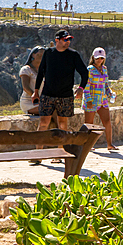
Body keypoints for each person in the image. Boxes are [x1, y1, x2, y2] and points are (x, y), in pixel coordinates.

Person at [33, 29, 88, 160]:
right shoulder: (48, 53)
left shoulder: (73, 55)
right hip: (47, 94)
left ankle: (60, 153)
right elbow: (41, 72)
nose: (67, 42)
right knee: (43, 123)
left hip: (65, 95)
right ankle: (38, 153)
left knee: (63, 124)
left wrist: (81, 88)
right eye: (65, 40)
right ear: (57, 40)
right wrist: (36, 92)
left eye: (69, 40)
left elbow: (84, 72)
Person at [83, 47, 118, 151]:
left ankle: (110, 144)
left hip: (102, 100)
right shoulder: (90, 69)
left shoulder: (105, 69)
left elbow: (105, 85)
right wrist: (88, 100)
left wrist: (110, 93)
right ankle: (87, 145)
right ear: (93, 58)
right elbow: (86, 85)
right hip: (92, 100)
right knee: (89, 124)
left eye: (102, 58)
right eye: (97, 58)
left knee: (107, 121)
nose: (99, 60)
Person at [18, 46, 45, 115]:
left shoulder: (43, 70)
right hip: (29, 102)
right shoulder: (26, 69)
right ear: (33, 55)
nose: (41, 56)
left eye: (43, 55)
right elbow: (25, 87)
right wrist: (35, 96)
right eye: (39, 54)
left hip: (41, 101)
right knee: (49, 110)